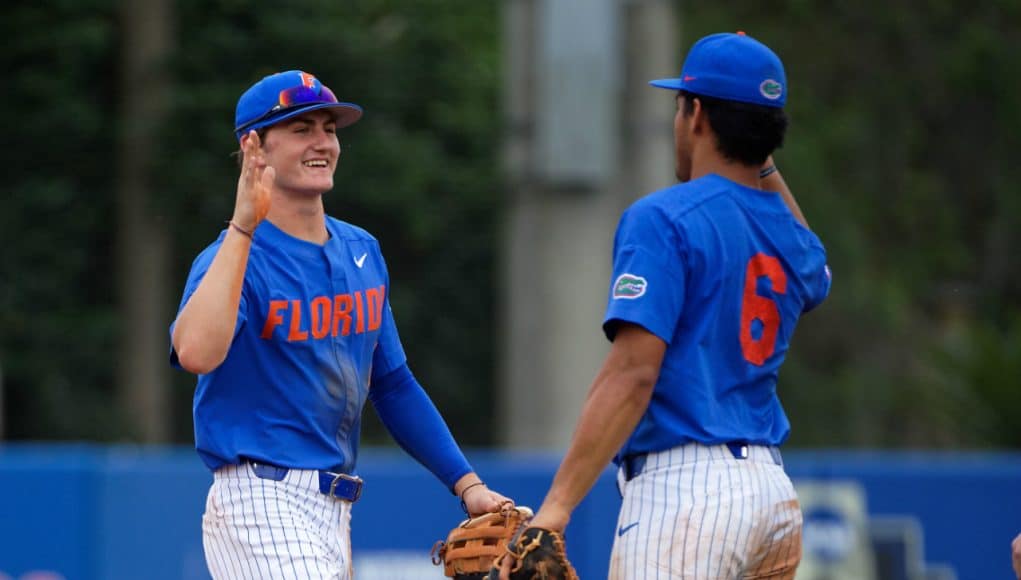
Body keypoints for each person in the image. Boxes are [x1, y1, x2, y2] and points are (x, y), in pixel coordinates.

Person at [499, 32, 830, 579]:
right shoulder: (791, 238)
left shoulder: (664, 217)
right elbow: (816, 270)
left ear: (696, 113)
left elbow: (632, 375)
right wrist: (756, 143)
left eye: (681, 106)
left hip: (688, 494)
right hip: (773, 498)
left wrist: (555, 510)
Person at [169, 70, 510, 580]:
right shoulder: (234, 257)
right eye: (302, 128)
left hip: (335, 508)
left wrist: (466, 484)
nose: (323, 142)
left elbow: (392, 384)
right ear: (253, 145)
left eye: (329, 128)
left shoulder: (360, 250)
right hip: (261, 497)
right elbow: (196, 353)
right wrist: (243, 225)